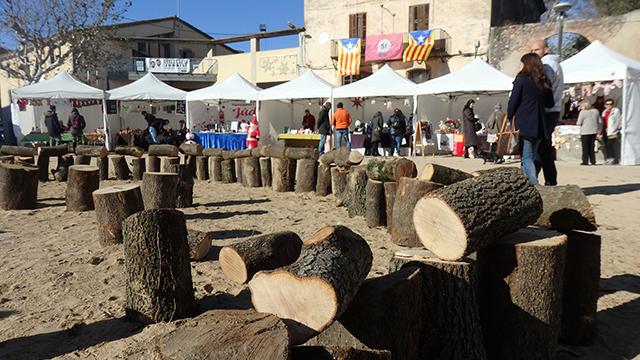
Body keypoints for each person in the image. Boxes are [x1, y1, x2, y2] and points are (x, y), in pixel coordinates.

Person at [507, 53, 555, 185]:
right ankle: (524, 186)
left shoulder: (521, 79)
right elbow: (550, 103)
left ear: (526, 64)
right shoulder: (544, 80)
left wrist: (509, 116)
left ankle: (534, 186)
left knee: (527, 157)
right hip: (541, 124)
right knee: (531, 156)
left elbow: (513, 101)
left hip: (526, 123)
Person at [530, 39, 563, 185]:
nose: (533, 53)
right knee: (542, 147)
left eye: (536, 50)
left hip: (548, 111)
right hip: (549, 110)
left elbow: (543, 88)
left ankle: (548, 180)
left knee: (542, 147)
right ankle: (542, 179)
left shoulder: (548, 65)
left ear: (546, 50)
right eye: (531, 51)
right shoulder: (551, 64)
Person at [576, 101, 602, 165]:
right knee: (591, 147)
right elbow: (600, 121)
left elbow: (579, 123)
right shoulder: (596, 111)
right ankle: (593, 161)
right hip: (593, 131)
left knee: (585, 148)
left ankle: (585, 161)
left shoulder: (582, 112)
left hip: (585, 131)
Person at [602, 98, 622, 164]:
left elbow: (618, 121)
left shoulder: (616, 111)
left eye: (611, 104)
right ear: (605, 105)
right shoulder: (604, 112)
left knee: (609, 145)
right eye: (607, 104)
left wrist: (616, 129)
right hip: (605, 130)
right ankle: (608, 158)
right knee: (606, 145)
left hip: (612, 130)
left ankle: (612, 158)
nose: (609, 105)